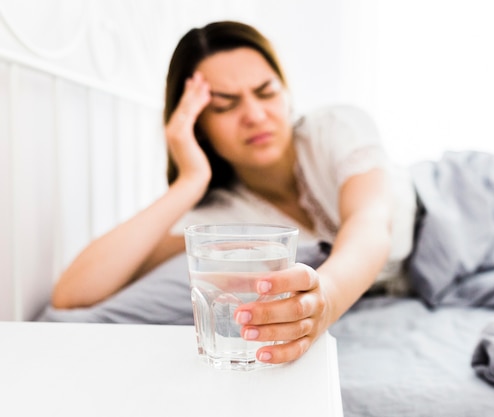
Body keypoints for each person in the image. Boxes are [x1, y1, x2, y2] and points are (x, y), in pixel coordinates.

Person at [49, 20, 419, 365]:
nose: (255, 115)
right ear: (200, 126)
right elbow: (72, 294)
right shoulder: (216, 217)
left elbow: (370, 225)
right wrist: (189, 181)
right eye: (225, 105)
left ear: (286, 92)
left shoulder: (337, 128)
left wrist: (327, 299)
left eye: (266, 92)